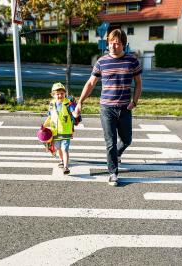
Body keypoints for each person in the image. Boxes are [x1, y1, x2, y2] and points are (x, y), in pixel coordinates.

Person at [75, 29, 142, 186]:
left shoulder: (132, 61)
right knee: (110, 142)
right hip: (107, 108)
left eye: (117, 43)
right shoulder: (101, 61)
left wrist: (135, 101)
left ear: (124, 45)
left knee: (127, 140)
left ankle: (117, 154)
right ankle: (113, 173)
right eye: (111, 42)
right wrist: (80, 102)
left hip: (125, 108)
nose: (113, 45)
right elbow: (91, 83)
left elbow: (139, 83)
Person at [43, 82, 77, 175]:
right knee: (58, 148)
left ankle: (66, 166)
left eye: (62, 93)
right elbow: (50, 117)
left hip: (66, 131)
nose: (60, 95)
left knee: (65, 149)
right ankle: (61, 160)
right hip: (55, 132)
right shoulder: (51, 104)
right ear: (53, 95)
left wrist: (76, 114)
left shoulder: (68, 104)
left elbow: (74, 113)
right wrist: (44, 126)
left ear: (65, 94)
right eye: (57, 94)